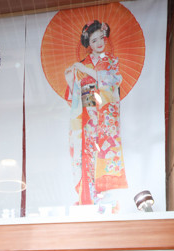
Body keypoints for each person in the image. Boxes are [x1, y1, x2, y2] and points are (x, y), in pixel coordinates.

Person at [64, 20, 128, 206]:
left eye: (101, 38)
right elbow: (74, 98)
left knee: (104, 153)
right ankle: (89, 198)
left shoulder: (111, 61)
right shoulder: (81, 64)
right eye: (94, 40)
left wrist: (86, 71)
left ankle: (106, 200)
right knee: (86, 155)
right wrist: (70, 82)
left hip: (104, 115)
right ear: (88, 43)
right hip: (86, 116)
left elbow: (113, 83)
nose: (99, 43)